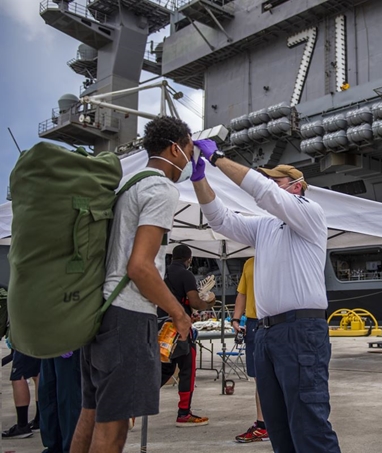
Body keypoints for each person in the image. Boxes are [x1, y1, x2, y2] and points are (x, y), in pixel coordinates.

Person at [191, 139, 341, 453]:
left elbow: (264, 193)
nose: (270, 184)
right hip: (267, 332)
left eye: (277, 180)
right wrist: (199, 181)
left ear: (297, 187)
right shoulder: (266, 226)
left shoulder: (310, 213)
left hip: (300, 331)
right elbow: (221, 220)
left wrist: (218, 158)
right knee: (278, 426)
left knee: (309, 424)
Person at [71, 116, 193, 453]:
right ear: (174, 148)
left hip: (101, 315)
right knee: (114, 428)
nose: (190, 158)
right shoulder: (162, 188)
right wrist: (178, 314)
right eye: (189, 149)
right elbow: (140, 267)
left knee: (91, 413)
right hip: (128, 317)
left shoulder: (128, 185)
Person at [159, 244, 216, 427]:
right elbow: (195, 302)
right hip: (180, 329)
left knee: (164, 370)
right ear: (189, 259)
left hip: (161, 328)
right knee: (187, 368)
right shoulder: (186, 275)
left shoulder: (162, 273)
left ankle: (133, 407)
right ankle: (184, 413)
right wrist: (209, 302)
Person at [232, 257, 269, 443]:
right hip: (254, 324)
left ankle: (274, 423)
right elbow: (242, 294)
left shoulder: (281, 256)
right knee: (259, 377)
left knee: (281, 375)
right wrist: (236, 320)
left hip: (277, 321)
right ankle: (263, 425)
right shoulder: (249, 263)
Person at [39, 350, 82, 452]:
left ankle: (71, 448)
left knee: (68, 399)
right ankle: (53, 446)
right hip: (48, 344)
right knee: (47, 395)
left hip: (68, 343)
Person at [2, 349, 40, 439]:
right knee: (37, 372)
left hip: (25, 341)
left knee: (19, 375)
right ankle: (40, 420)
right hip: (40, 340)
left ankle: (22, 425)